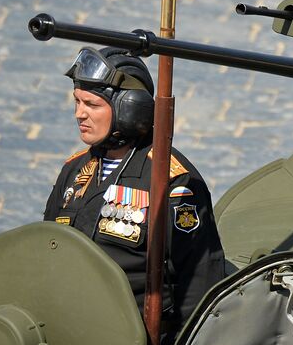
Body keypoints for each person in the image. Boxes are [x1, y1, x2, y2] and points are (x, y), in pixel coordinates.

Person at [43, 47, 227, 325]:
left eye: (92, 105)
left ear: (129, 109)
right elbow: (46, 248)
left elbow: (199, 283)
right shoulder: (74, 170)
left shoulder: (173, 182)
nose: (79, 114)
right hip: (69, 328)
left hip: (134, 344)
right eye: (77, 102)